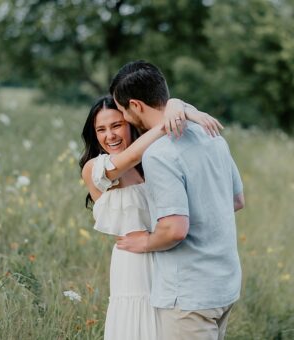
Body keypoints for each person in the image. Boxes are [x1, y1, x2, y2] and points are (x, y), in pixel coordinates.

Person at [112, 60, 245, 340]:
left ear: (135, 105)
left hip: (188, 295)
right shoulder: (212, 137)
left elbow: (175, 229)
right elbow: (236, 200)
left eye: (123, 110)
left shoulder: (159, 153)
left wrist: (146, 241)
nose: (123, 118)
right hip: (224, 285)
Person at [80, 95, 222, 340]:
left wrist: (177, 106)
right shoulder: (96, 168)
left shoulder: (152, 160)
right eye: (101, 130)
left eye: (116, 125)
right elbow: (132, 156)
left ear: (130, 123)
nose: (109, 136)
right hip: (133, 267)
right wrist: (178, 111)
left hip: (168, 258)